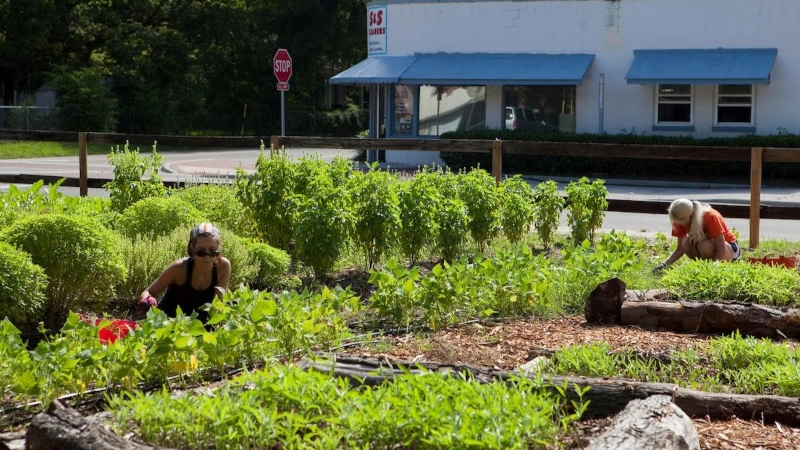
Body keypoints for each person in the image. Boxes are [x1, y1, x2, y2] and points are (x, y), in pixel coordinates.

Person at [139, 223, 232, 323]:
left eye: (213, 251)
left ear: (219, 248)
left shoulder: (223, 267)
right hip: (169, 324)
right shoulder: (179, 268)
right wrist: (147, 300)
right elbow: (148, 292)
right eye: (201, 252)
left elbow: (218, 305)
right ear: (192, 248)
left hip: (201, 326)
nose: (207, 256)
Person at [654, 198, 740, 272]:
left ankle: (714, 270)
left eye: (681, 223)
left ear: (690, 216)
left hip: (729, 249)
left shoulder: (711, 216)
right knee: (686, 243)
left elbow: (722, 249)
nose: (679, 225)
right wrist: (664, 264)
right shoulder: (679, 220)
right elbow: (680, 248)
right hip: (708, 246)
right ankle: (701, 268)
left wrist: (711, 268)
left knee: (704, 245)